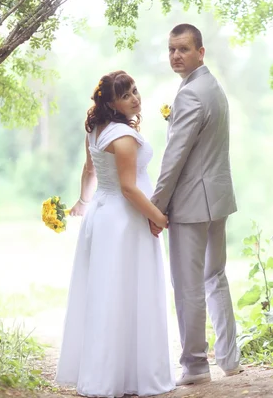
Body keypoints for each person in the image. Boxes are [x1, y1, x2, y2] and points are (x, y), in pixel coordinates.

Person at [55, 70, 176, 397]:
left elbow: (89, 169)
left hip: (103, 217)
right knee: (126, 292)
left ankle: (114, 374)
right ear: (110, 102)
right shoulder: (122, 137)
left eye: (135, 90)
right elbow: (128, 189)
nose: (135, 98)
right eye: (126, 95)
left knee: (111, 293)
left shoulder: (96, 130)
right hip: (125, 221)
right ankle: (125, 376)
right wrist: (159, 218)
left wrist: (84, 201)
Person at [149, 23, 243, 385]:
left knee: (189, 285)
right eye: (172, 49)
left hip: (190, 203)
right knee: (214, 276)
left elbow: (175, 157)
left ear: (200, 52)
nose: (176, 55)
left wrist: (156, 207)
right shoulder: (213, 87)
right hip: (216, 198)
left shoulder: (190, 95)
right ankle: (230, 358)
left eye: (184, 49)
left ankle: (195, 365)